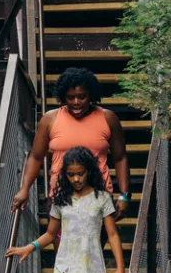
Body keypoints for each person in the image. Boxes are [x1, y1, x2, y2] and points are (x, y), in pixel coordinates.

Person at [12, 68, 132, 217]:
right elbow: (36, 157)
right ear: (63, 97)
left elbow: (120, 158)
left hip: (99, 199)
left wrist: (124, 195)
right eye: (70, 97)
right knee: (61, 241)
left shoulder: (108, 118)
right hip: (61, 199)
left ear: (91, 95)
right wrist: (24, 189)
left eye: (82, 97)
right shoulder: (50, 119)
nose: (76, 102)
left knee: (95, 241)